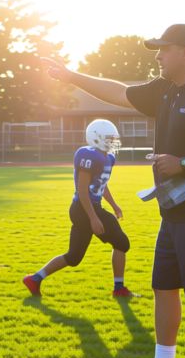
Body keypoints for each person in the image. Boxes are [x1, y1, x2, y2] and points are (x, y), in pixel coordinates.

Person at [41, 23, 185, 358]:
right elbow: (118, 92)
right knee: (163, 286)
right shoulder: (165, 90)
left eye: (164, 49)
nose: (158, 56)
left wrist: (184, 163)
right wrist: (71, 76)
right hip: (173, 210)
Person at [24, 119, 134, 298]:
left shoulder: (108, 158)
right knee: (117, 244)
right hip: (83, 209)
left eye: (113, 138)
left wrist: (114, 205)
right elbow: (82, 191)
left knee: (77, 256)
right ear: (96, 138)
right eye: (108, 138)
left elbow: (102, 184)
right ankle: (119, 288)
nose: (112, 141)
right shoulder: (88, 155)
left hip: (91, 208)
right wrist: (93, 218)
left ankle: (34, 279)